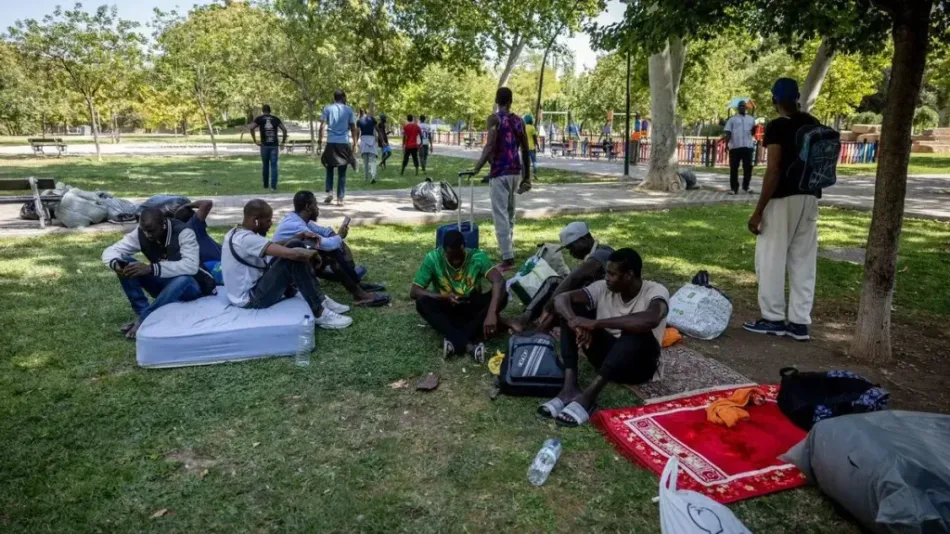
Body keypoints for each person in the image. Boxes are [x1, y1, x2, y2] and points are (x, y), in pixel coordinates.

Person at [542, 248, 669, 427]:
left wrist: (595, 324)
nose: (606, 277)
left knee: (634, 329)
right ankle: (569, 387)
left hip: (638, 366)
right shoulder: (603, 287)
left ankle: (589, 397)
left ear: (628, 275)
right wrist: (575, 322)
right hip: (605, 359)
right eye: (606, 273)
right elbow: (562, 298)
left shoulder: (655, 291)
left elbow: (651, 319)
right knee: (571, 311)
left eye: (612, 274)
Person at [744, 78, 820, 342]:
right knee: (803, 261)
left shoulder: (777, 127)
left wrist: (759, 210)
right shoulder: (813, 123)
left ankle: (773, 318)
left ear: (775, 100)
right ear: (797, 97)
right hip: (809, 198)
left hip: (782, 200)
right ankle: (800, 322)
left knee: (771, 258)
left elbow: (774, 169)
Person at [221, 199, 352, 329]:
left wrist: (299, 237)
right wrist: (312, 253)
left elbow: (272, 246)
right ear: (256, 220)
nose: (270, 224)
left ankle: (321, 298)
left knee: (295, 244)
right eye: (268, 220)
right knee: (293, 259)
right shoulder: (247, 239)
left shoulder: (236, 233)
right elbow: (293, 254)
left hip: (251, 290)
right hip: (252, 300)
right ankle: (319, 312)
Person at [102, 207, 217, 339]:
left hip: (193, 287)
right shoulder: (141, 233)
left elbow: (190, 266)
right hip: (165, 285)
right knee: (125, 263)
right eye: (144, 231)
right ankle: (141, 310)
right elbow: (111, 251)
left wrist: (151, 268)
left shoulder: (184, 232)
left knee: (183, 279)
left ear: (163, 224)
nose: (147, 235)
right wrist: (116, 264)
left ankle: (145, 318)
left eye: (151, 231)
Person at [273, 191, 390, 307]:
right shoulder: (296, 225)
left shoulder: (298, 219)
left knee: (329, 253)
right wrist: (340, 237)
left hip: (289, 264)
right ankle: (359, 294)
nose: (318, 209)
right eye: (316, 205)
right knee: (330, 252)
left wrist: (336, 237)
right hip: (282, 273)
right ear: (308, 207)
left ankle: (357, 286)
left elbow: (322, 231)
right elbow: (326, 244)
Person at [410, 230, 508, 363]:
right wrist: (443, 297)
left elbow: (499, 281)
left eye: (460, 256)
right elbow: (415, 291)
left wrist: (491, 313)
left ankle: (454, 341)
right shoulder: (433, 258)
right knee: (422, 302)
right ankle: (468, 344)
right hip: (446, 308)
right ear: (443, 250)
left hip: (471, 306)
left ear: (464, 247)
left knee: (503, 295)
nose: (456, 261)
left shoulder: (477, 257)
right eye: (452, 256)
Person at [508, 221, 614, 333]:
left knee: (559, 290)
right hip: (593, 300)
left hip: (601, 305)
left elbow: (575, 277)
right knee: (555, 285)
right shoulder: (594, 253)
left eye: (571, 247)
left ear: (583, 240)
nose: (571, 253)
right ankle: (528, 320)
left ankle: (538, 326)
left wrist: (549, 305)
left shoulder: (601, 253)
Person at [472, 87, 532, 270]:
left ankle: (508, 258)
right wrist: (527, 177)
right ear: (510, 101)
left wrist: (477, 168)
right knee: (509, 213)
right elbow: (526, 150)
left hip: (500, 173)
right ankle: (509, 250)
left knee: (500, 215)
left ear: (497, 100)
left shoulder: (494, 119)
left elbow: (489, 146)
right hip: (515, 171)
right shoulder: (519, 121)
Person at [319, 90, 359, 206]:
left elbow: (322, 126)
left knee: (329, 168)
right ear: (343, 97)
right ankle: (340, 198)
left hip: (331, 142)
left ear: (334, 98)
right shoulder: (348, 109)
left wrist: (319, 141)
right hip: (343, 143)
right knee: (342, 172)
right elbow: (353, 127)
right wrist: (355, 144)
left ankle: (329, 192)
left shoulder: (327, 108)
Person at [249, 105, 288, 191]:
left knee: (265, 165)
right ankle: (273, 186)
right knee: (274, 165)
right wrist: (283, 142)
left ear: (263, 111)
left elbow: (251, 128)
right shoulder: (275, 119)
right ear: (270, 111)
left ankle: (266, 185)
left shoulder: (259, 119)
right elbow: (284, 130)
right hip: (274, 145)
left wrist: (255, 140)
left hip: (264, 146)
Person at [173, 200, 222, 265]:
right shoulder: (193, 225)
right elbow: (206, 203)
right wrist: (187, 205)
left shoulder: (177, 233)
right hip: (219, 263)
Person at [723, 100, 757, 195]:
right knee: (734, 168)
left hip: (748, 146)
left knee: (748, 168)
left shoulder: (751, 119)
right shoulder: (732, 119)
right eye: (740, 106)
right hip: (735, 147)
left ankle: (746, 186)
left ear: (746, 108)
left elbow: (753, 133)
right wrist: (727, 144)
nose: (742, 107)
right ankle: (734, 188)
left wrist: (754, 130)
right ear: (738, 108)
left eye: (743, 106)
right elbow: (728, 132)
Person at [357, 109, 379, 184]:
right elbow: (377, 129)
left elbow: (358, 132)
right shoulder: (372, 119)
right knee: (373, 160)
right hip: (371, 140)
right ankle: (373, 176)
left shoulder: (359, 121)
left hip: (363, 140)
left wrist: (355, 142)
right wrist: (381, 140)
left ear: (361, 113)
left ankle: (366, 178)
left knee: (365, 162)